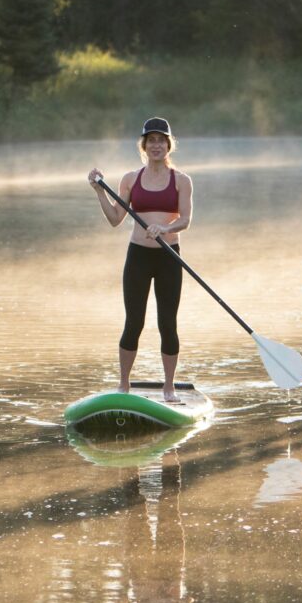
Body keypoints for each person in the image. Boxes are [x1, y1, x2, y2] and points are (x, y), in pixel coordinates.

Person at [88, 117, 193, 403]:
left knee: (167, 323)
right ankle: (124, 385)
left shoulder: (182, 181)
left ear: (169, 145)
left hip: (169, 256)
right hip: (138, 257)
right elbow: (114, 219)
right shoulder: (131, 179)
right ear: (144, 146)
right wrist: (99, 191)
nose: (156, 145)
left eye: (161, 140)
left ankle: (168, 388)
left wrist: (166, 228)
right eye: (151, 141)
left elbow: (185, 220)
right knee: (133, 321)